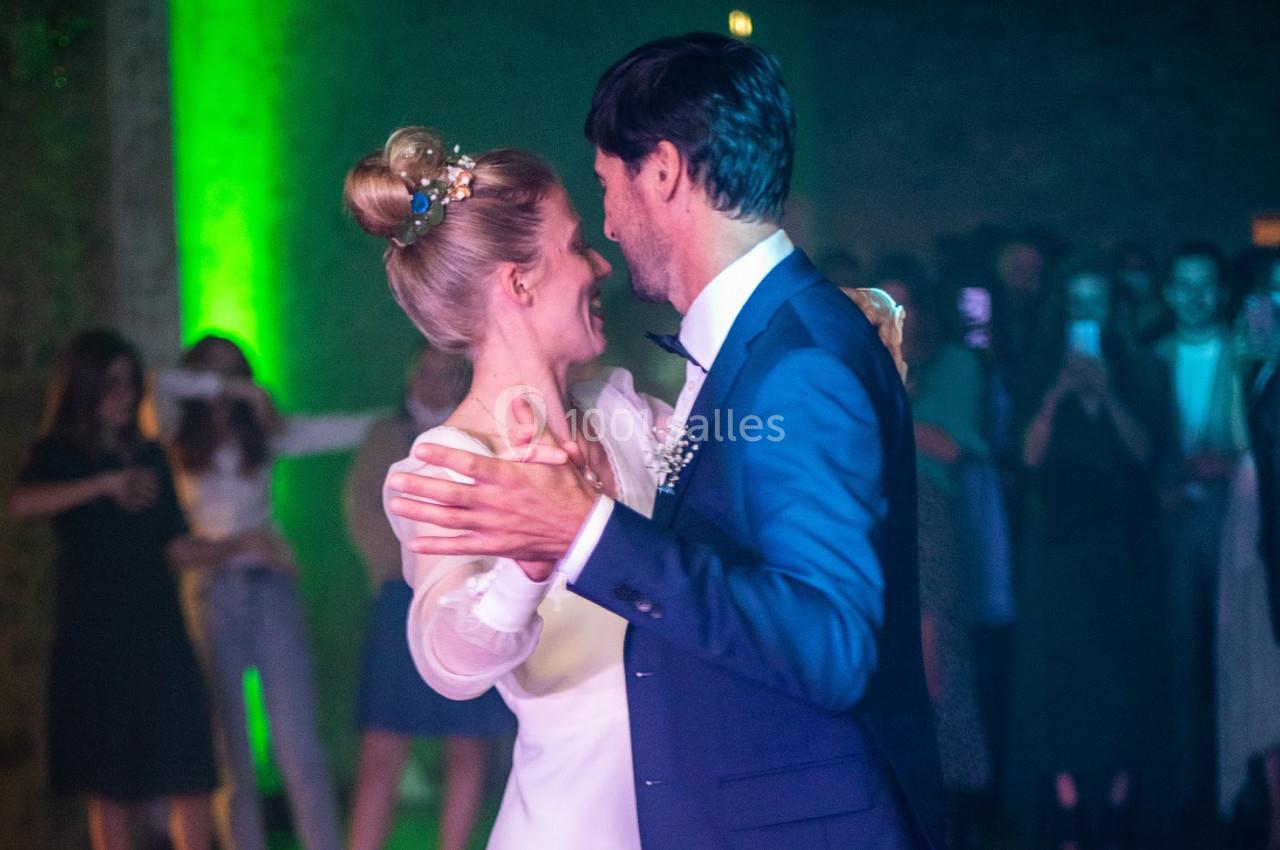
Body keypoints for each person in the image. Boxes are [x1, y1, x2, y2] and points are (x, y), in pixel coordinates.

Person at [384, 33, 944, 850]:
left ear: (667, 171)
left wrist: (842, 331)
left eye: (602, 201)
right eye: (579, 242)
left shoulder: (632, 409)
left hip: (707, 814)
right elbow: (449, 664)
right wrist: (528, 564)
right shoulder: (446, 470)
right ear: (518, 283)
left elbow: (755, 488)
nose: (604, 248)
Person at [154, 335, 372, 850]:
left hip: (270, 586)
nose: (226, 386)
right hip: (211, 591)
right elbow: (158, 384)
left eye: (235, 373)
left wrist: (420, 415)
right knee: (232, 758)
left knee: (301, 751)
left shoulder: (263, 433)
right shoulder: (176, 432)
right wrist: (220, 389)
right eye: (212, 373)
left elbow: (342, 430)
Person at [7, 330, 217, 850]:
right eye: (112, 384)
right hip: (94, 636)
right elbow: (22, 504)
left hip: (159, 630)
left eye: (129, 385)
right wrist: (103, 486)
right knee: (109, 783)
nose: (124, 396)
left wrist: (237, 549)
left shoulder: (148, 455)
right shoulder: (60, 453)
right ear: (86, 387)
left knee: (187, 771)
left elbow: (173, 544)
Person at [1009, 259, 1164, 850]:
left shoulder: (1138, 367)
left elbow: (1146, 452)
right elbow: (1026, 457)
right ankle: (1069, 808)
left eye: (1097, 302)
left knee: (1123, 672)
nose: (1087, 314)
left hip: (1121, 548)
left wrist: (1108, 395)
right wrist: (1059, 393)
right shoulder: (1039, 366)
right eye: (1077, 303)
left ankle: (1120, 805)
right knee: (1063, 675)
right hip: (1059, 548)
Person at [344, 344, 514, 850]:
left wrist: (464, 573)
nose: (433, 384)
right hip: (400, 601)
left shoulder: (480, 438)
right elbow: (365, 518)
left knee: (468, 747)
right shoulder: (384, 436)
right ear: (409, 374)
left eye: (446, 375)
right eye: (425, 372)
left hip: (466, 602)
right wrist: (424, 568)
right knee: (382, 748)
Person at [873, 254, 992, 843]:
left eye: (905, 304)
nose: (896, 317)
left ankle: (943, 806)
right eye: (883, 306)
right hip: (872, 520)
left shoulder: (952, 367)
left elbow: (949, 447)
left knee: (935, 663)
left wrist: (884, 405)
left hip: (928, 517)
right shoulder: (862, 365)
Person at [1151, 242, 1249, 830]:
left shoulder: (1247, 354)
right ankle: (1190, 791)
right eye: (1184, 284)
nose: (1195, 296)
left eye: (1205, 283)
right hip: (1174, 528)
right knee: (1180, 664)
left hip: (1238, 526)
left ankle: (1238, 790)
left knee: (1237, 662)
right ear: (1168, 293)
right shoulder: (1151, 357)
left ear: (1222, 291)